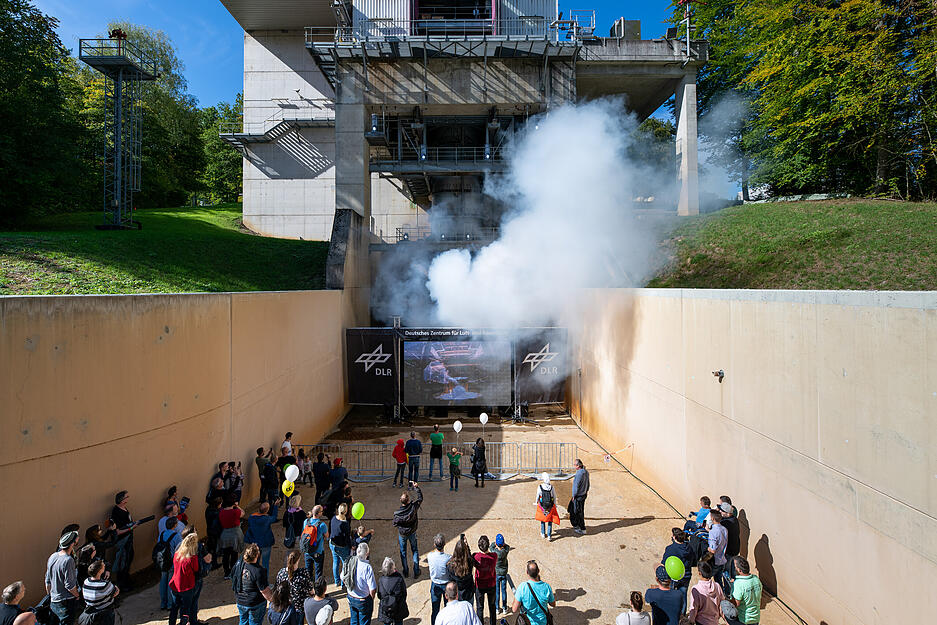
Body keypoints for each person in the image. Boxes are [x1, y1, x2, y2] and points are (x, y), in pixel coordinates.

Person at [232, 544, 273, 625]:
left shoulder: (239, 565)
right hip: (255, 603)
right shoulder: (259, 571)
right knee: (255, 622)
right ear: (257, 555)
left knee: (243, 621)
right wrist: (273, 600)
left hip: (240, 601)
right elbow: (264, 591)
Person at [46, 531, 80, 625]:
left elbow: (48, 581)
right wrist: (77, 595)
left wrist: (51, 596)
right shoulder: (68, 560)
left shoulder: (52, 556)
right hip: (66, 602)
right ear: (72, 543)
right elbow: (70, 586)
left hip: (54, 601)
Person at [180, 526, 212, 624]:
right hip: (196, 578)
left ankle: (186, 621)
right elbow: (208, 559)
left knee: (185, 603)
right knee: (194, 601)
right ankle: (193, 621)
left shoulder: (180, 546)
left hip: (184, 579)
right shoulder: (198, 546)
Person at [392, 482, 423, 578]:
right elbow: (420, 498)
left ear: (401, 501)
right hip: (412, 531)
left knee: (403, 552)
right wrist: (417, 488)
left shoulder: (398, 514)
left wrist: (401, 526)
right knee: (415, 550)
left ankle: (406, 571)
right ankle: (416, 571)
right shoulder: (413, 507)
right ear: (408, 500)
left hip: (403, 534)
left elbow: (394, 523)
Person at [169, 533, 200, 625]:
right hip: (187, 586)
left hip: (175, 585)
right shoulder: (192, 557)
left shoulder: (177, 554)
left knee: (174, 608)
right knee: (186, 609)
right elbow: (196, 569)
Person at [108, 491, 137, 589]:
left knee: (128, 560)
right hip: (123, 541)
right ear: (122, 500)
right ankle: (122, 584)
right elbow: (118, 531)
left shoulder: (124, 509)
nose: (128, 498)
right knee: (123, 562)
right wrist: (131, 528)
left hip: (128, 540)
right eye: (126, 497)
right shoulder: (116, 512)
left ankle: (127, 581)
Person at [512, 560, 554, 625]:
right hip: (543, 622)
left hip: (528, 623)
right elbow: (553, 604)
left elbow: (514, 609)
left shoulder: (522, 587)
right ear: (538, 571)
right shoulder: (546, 587)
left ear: (527, 572)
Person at [721, 557, 761, 625]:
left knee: (724, 606)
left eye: (734, 567)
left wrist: (725, 599)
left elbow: (736, 604)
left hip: (743, 619)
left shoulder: (739, 584)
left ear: (739, 570)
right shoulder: (756, 579)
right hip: (755, 618)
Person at [346, 542, 378, 625]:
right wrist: (371, 599)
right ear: (367, 553)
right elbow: (372, 588)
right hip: (363, 599)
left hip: (351, 596)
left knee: (354, 621)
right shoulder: (367, 567)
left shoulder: (350, 562)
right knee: (364, 622)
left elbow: (343, 577)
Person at [660, 528, 693, 605]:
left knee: (670, 596)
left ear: (674, 537)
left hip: (674, 577)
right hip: (686, 575)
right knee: (683, 595)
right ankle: (682, 615)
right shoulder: (689, 547)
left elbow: (664, 564)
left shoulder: (670, 549)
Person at [158, 516, 183, 610]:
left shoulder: (162, 534)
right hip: (172, 562)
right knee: (170, 583)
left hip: (162, 561)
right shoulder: (176, 536)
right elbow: (180, 549)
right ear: (175, 525)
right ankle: (170, 603)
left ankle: (163, 603)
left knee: (163, 581)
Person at [686, 560, 723, 625]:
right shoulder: (717, 586)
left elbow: (694, 608)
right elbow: (722, 605)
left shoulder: (697, 589)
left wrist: (691, 621)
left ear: (700, 573)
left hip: (701, 622)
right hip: (714, 622)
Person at [472, 536, 497, 625]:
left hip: (480, 585)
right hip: (491, 584)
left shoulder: (476, 556)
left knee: (479, 607)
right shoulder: (494, 556)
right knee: (492, 606)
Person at [427, 533, 451, 625]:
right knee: (447, 610)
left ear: (434, 545)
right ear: (444, 544)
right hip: (446, 585)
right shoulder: (448, 558)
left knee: (435, 610)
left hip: (435, 584)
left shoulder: (430, 556)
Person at [377, 557, 408, 625]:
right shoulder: (399, 578)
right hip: (398, 608)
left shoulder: (381, 580)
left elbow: (379, 595)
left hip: (386, 609)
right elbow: (404, 593)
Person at [218, 499, 245, 579]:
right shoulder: (235, 512)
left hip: (225, 534)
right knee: (234, 554)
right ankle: (233, 572)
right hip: (234, 535)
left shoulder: (221, 511)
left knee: (225, 555)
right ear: (233, 504)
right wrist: (237, 506)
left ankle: (226, 573)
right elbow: (243, 513)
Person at [303, 506, 330, 582]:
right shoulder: (322, 525)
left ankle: (309, 589)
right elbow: (327, 536)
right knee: (318, 572)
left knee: (308, 572)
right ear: (319, 514)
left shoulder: (306, 522)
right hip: (318, 552)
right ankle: (318, 591)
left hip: (307, 551)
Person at [329, 503, 352, 589]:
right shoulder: (345, 524)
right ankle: (343, 584)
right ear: (345, 512)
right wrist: (350, 546)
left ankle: (336, 581)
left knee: (335, 562)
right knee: (345, 565)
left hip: (332, 544)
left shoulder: (333, 518)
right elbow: (347, 538)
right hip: (342, 547)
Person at [445, 537, 475, 603]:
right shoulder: (469, 563)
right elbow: (470, 558)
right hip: (468, 593)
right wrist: (467, 546)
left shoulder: (450, 566)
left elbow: (450, 580)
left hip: (457, 595)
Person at [490, 534, 514, 617]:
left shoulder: (494, 552)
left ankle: (497, 608)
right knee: (504, 591)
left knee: (497, 592)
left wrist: (496, 544)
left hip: (496, 573)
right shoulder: (506, 550)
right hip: (504, 573)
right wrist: (502, 544)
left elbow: (491, 546)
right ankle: (504, 608)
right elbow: (507, 546)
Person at [706, 512, 728, 592]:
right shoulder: (724, 529)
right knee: (718, 581)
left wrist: (708, 548)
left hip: (715, 561)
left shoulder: (713, 532)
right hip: (722, 559)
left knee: (707, 580)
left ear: (712, 519)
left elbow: (713, 550)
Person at [534, 473, 559, 541]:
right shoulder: (551, 487)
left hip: (543, 505)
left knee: (543, 519)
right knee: (550, 520)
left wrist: (536, 502)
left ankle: (543, 533)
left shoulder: (540, 487)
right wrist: (555, 504)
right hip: (550, 505)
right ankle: (549, 535)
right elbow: (554, 496)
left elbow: (538, 496)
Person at [570, 459, 590, 534]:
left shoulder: (579, 474)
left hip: (578, 496)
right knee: (579, 511)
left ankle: (581, 528)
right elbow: (588, 484)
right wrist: (586, 491)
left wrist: (573, 496)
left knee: (577, 512)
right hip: (583, 494)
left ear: (578, 466)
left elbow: (576, 486)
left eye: (575, 465)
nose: (574, 466)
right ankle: (579, 526)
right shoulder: (586, 472)